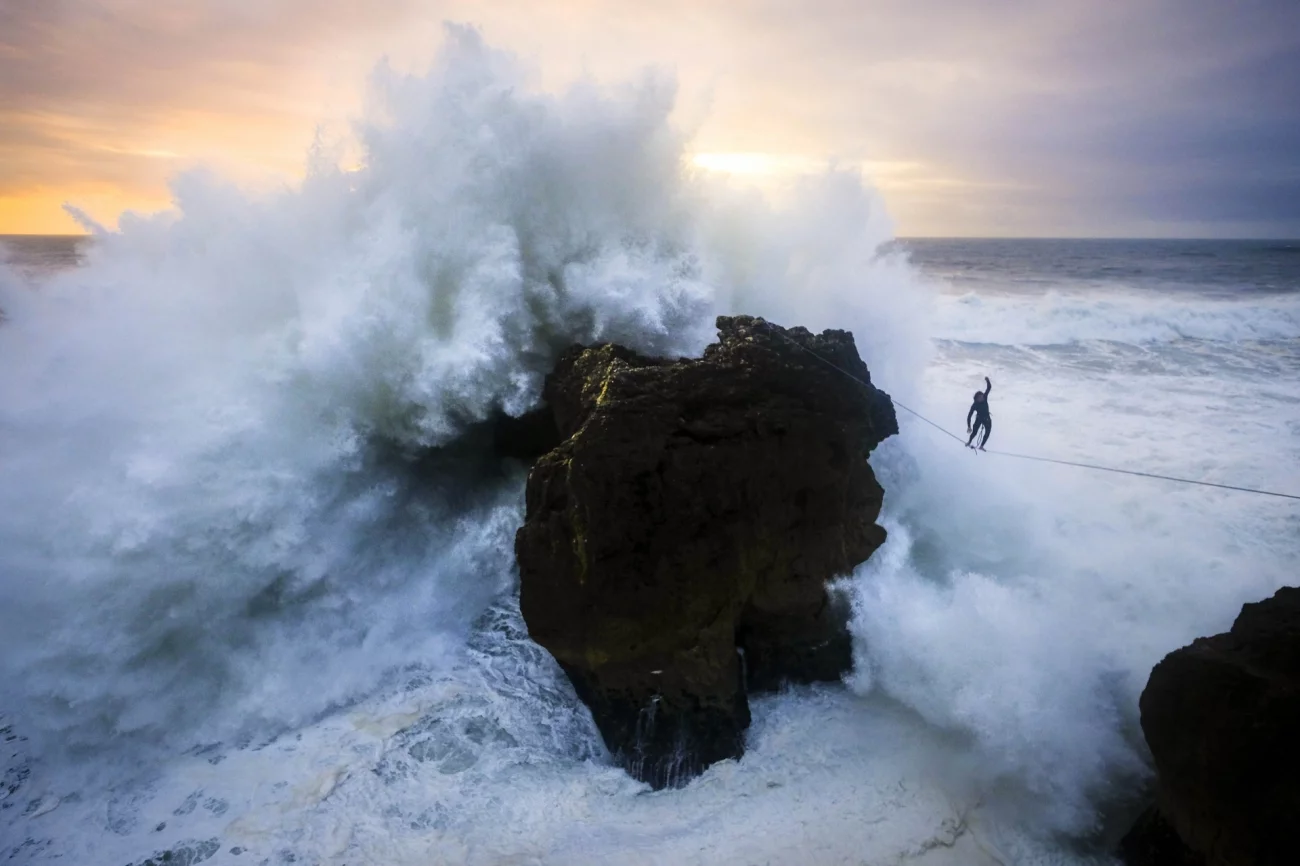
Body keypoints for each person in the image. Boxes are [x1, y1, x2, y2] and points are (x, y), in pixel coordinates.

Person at [966, 376, 992, 450]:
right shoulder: (975, 405)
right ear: (976, 399)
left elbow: (989, 387)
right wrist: (969, 426)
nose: (982, 398)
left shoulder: (985, 397)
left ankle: (981, 446)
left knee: (988, 431)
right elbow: (969, 416)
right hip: (979, 418)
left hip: (987, 418)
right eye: (980, 398)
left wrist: (987, 380)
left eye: (982, 397)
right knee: (974, 432)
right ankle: (969, 442)